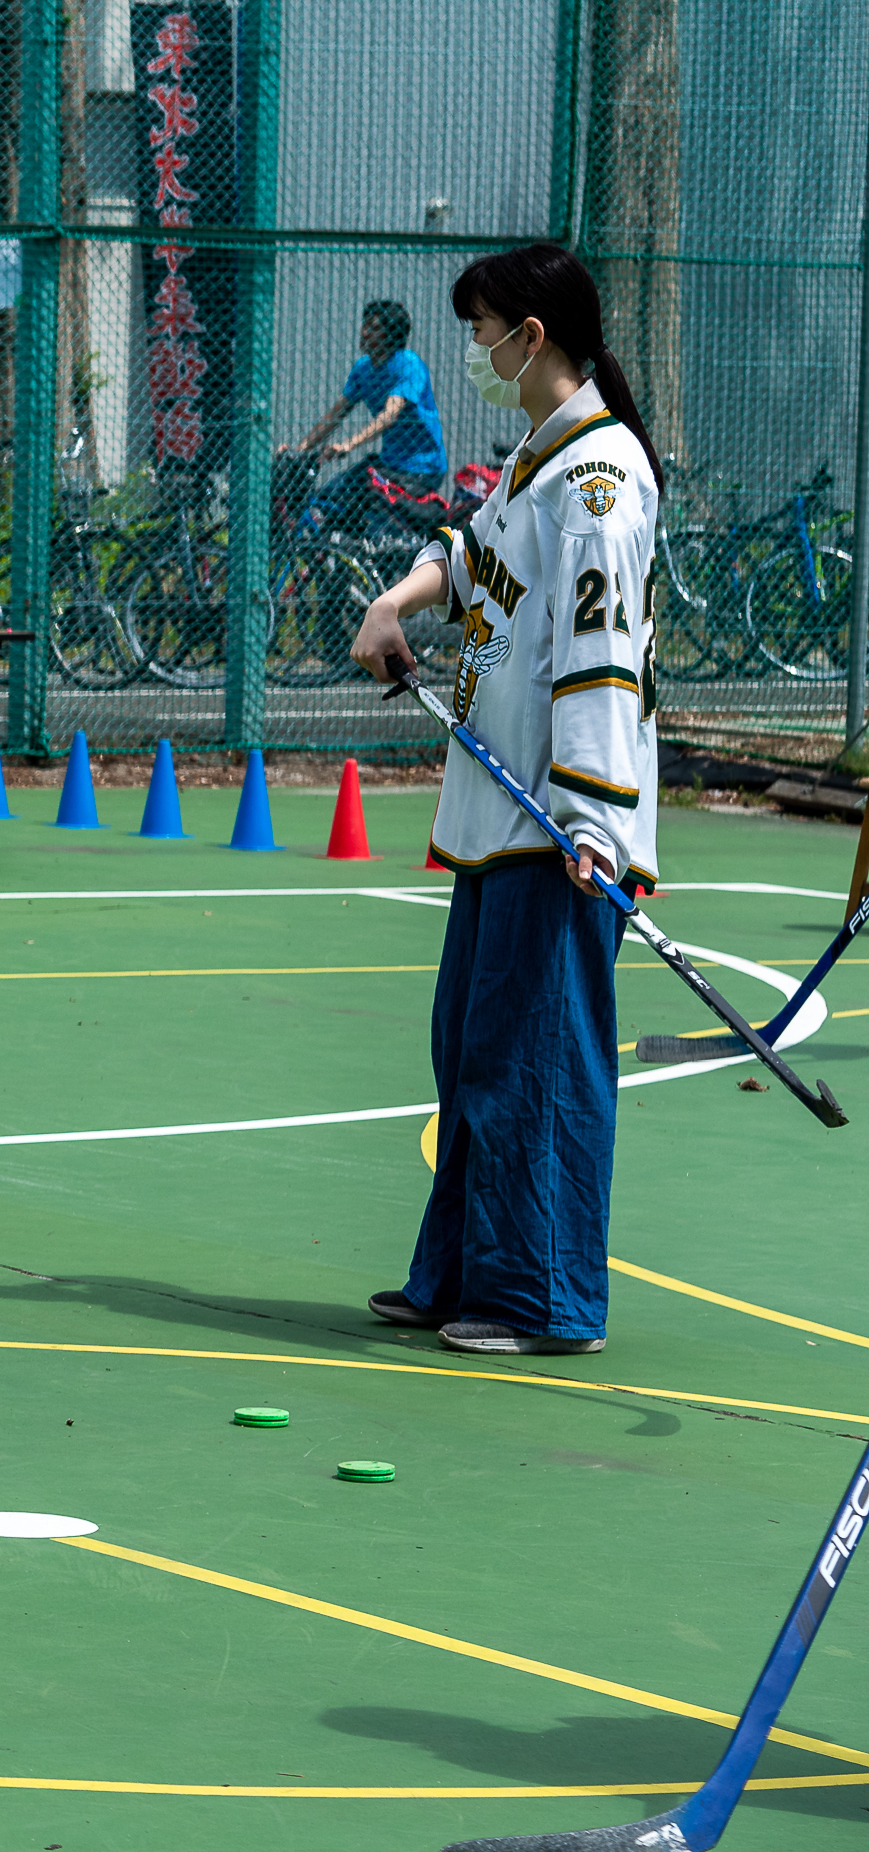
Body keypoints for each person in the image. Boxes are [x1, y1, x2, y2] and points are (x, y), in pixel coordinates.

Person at [348, 243, 662, 1357]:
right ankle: (464, 1275)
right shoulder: (541, 457)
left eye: (484, 333)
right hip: (496, 812)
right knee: (474, 1049)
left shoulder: (602, 481)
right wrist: (397, 600)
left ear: (532, 337)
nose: (475, 352)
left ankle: (540, 1296)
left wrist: (589, 821)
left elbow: (599, 666)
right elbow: (472, 557)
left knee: (538, 1057)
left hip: (554, 819)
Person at [287, 298, 450, 534]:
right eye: (365, 326)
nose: (363, 333)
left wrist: (348, 445)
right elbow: (336, 414)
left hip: (421, 470)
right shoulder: (363, 369)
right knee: (329, 497)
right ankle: (332, 562)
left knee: (374, 521)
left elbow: (389, 415)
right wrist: (299, 450)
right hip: (388, 464)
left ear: (391, 335)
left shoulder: (408, 365)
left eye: (373, 328)